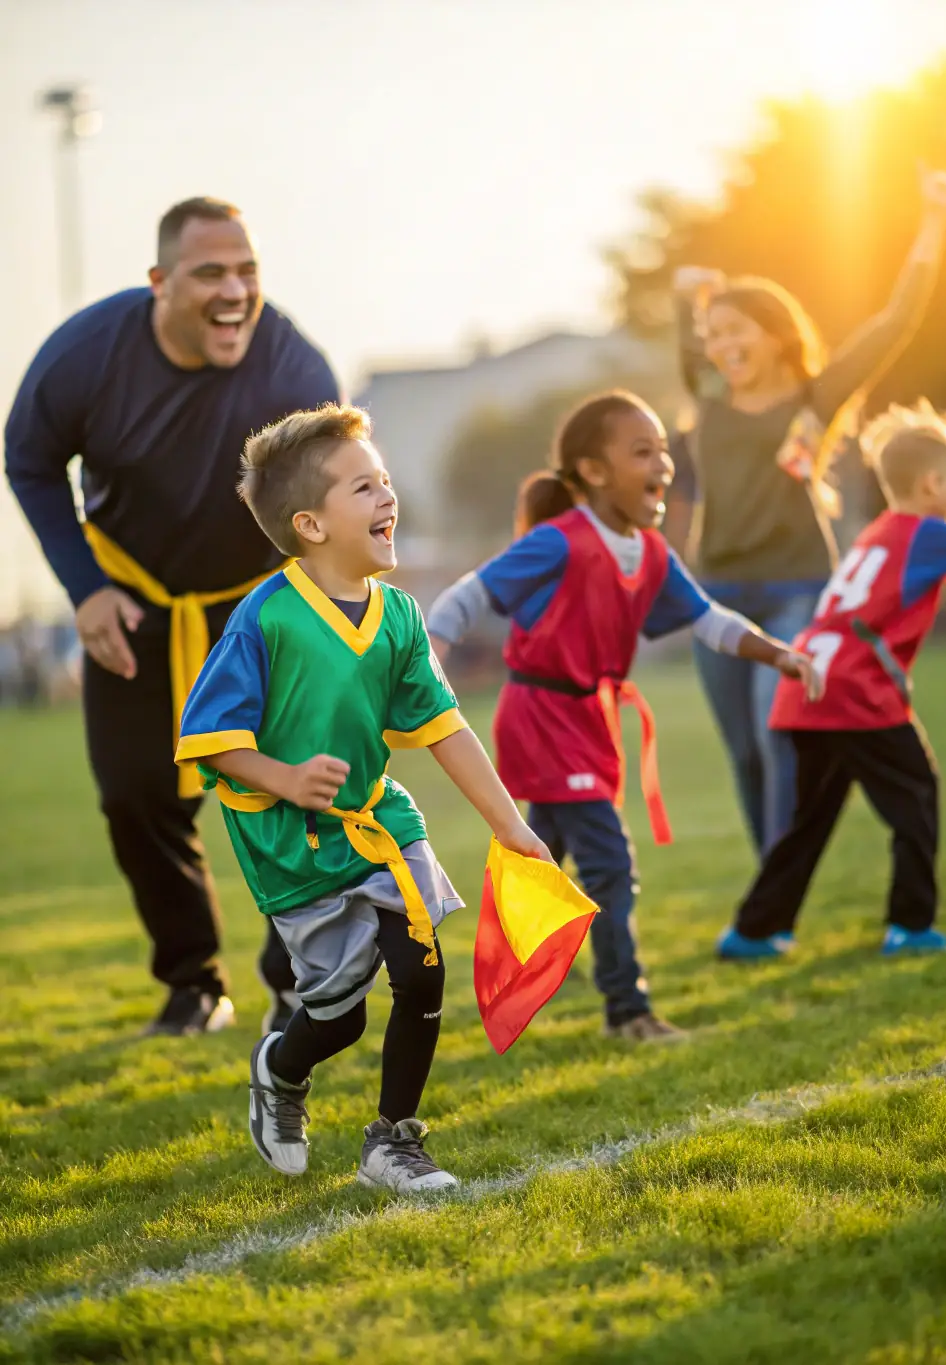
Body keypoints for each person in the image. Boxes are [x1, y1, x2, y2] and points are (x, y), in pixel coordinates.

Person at [175, 404, 551, 1190]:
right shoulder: (265, 620)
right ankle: (280, 1069)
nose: (387, 497)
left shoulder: (401, 616)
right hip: (290, 840)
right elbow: (207, 735)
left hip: (379, 817)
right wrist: (284, 777)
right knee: (338, 1014)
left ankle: (394, 1141)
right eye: (363, 487)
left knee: (421, 971)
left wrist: (509, 825)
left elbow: (446, 728)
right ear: (310, 523)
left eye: (384, 481)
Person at [4, 197, 341, 1036]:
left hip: (254, 600)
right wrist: (85, 587)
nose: (235, 291)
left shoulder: (291, 367)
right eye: (210, 273)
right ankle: (194, 983)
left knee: (293, 787)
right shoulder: (88, 353)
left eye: (248, 272)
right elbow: (30, 457)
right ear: (159, 281)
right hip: (133, 599)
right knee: (135, 794)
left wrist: (314, 612)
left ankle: (293, 974)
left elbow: (325, 496)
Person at [427, 390, 819, 1040]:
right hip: (543, 710)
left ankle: (511, 966)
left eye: (664, 448)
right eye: (643, 450)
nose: (662, 461)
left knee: (541, 850)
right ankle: (627, 1010)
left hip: (590, 715)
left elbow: (709, 620)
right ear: (595, 470)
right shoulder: (562, 540)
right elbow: (470, 594)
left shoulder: (654, 550)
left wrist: (777, 652)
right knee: (609, 862)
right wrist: (432, 657)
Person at [672, 169, 946, 857]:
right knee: (742, 749)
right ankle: (775, 878)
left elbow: (897, 320)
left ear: (774, 333)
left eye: (735, 331)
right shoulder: (708, 393)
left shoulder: (816, 397)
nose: (721, 346)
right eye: (713, 336)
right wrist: (688, 296)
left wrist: (934, 218)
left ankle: (775, 897)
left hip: (799, 585)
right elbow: (688, 327)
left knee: (780, 736)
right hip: (718, 594)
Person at [719, 400, 946, 959]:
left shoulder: (879, 532)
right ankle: (909, 926)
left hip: (807, 685)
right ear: (932, 484)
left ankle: (754, 930)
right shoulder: (933, 532)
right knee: (917, 795)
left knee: (810, 818)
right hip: (855, 693)